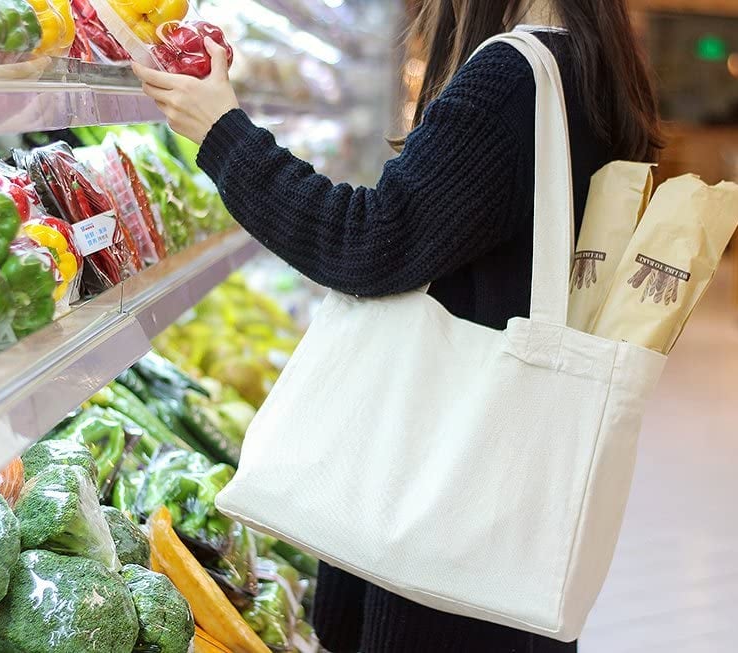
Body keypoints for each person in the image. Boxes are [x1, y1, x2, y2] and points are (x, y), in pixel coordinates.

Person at [136, 0, 661, 650]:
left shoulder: (510, 77)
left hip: (444, 515)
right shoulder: (590, 66)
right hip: (501, 508)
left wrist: (222, 132)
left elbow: (369, 242)